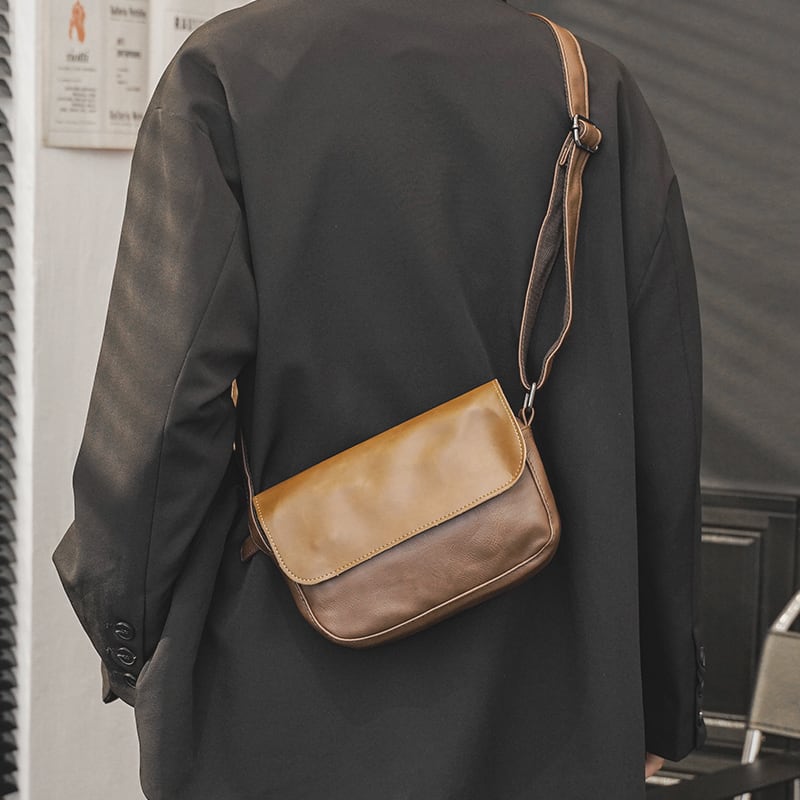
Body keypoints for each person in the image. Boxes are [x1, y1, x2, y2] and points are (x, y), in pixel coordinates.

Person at [52, 0, 706, 797]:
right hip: (553, 693)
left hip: (285, 690)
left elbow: (157, 418)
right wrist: (659, 703)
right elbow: (663, 418)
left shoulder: (226, 74)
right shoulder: (592, 85)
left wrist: (127, 630)